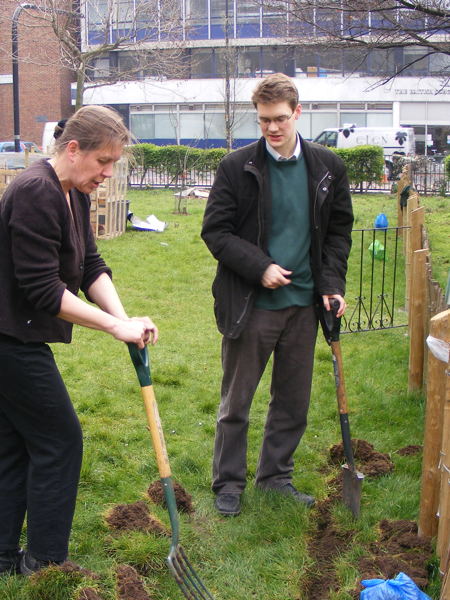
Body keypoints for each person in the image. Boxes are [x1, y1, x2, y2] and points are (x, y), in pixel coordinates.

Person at [0, 106, 158, 575]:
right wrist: (113, 328)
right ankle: (46, 563)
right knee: (60, 440)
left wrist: (125, 319)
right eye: (103, 162)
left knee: (13, 445)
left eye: (114, 164)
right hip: (8, 341)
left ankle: (5, 556)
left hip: (16, 337)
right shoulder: (35, 192)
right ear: (73, 149)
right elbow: (43, 289)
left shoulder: (72, 192)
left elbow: (90, 264)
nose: (107, 174)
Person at [201, 73, 353, 517]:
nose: (272, 128)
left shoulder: (327, 167)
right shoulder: (236, 166)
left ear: (298, 113)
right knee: (237, 403)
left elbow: (338, 233)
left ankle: (275, 478)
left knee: (292, 402)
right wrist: (259, 266)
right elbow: (216, 231)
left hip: (304, 307)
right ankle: (229, 483)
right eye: (264, 120)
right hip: (252, 306)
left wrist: (331, 285)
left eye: (280, 119)